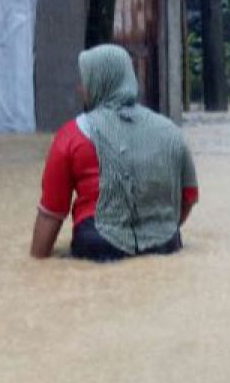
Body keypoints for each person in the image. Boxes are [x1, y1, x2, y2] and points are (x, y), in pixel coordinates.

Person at [30, 44, 199, 261]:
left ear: (99, 82)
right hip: (165, 244)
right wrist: (158, 230)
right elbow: (188, 199)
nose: (80, 88)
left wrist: (34, 265)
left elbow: (50, 213)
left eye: (85, 81)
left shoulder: (73, 135)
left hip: (98, 247)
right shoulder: (172, 133)